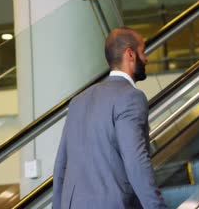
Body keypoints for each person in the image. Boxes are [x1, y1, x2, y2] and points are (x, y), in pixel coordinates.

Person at [53, 27, 167, 209]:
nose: (146, 58)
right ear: (130, 54)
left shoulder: (78, 101)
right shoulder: (131, 97)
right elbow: (135, 160)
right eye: (143, 51)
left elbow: (60, 168)